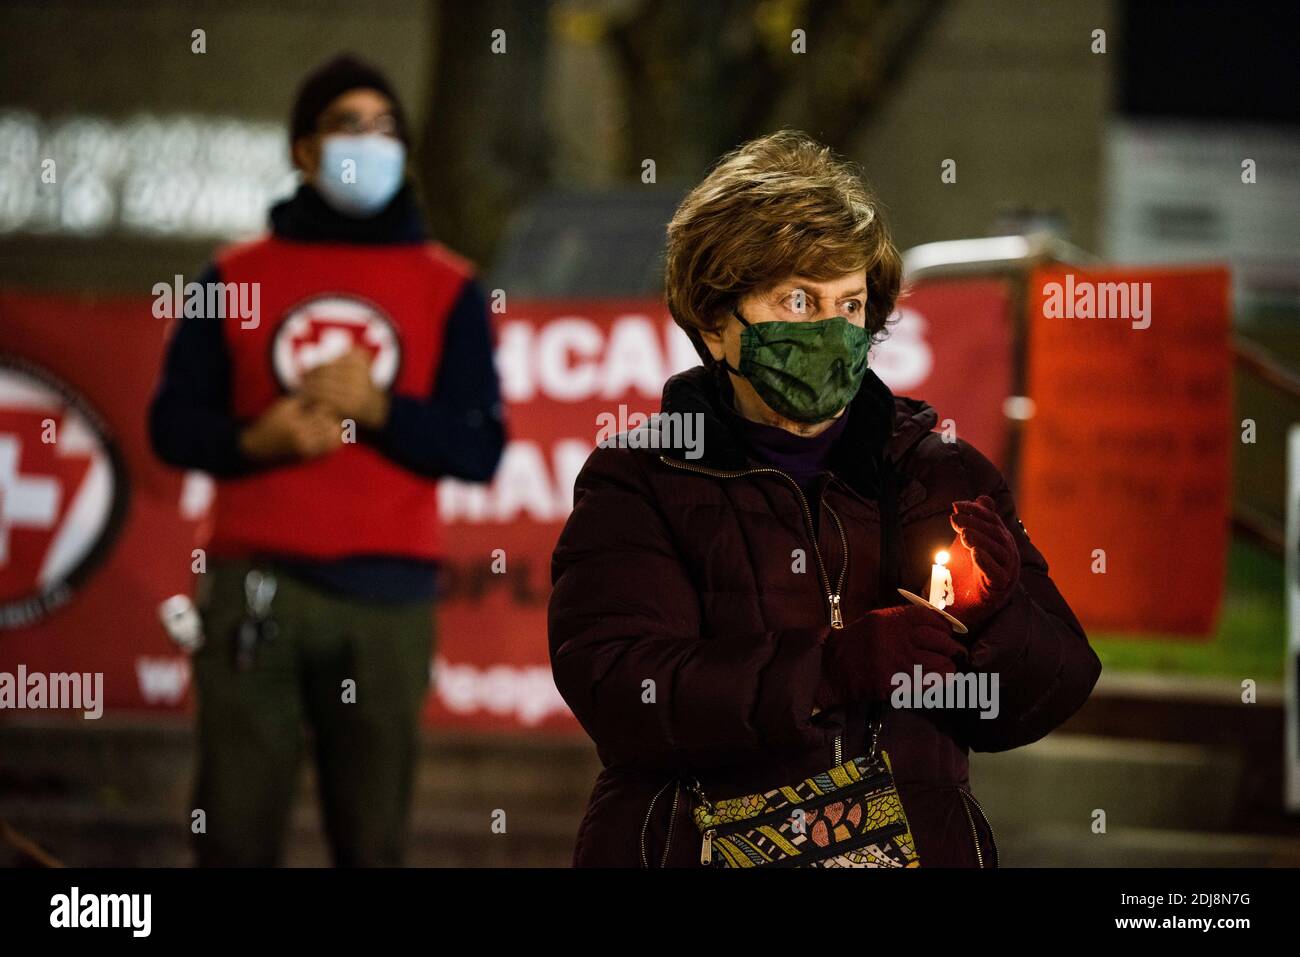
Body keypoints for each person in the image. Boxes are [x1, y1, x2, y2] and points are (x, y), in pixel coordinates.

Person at [547, 130, 1100, 867]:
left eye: (850, 304)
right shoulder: (640, 480)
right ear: (715, 322)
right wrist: (827, 669)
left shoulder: (941, 472)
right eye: (799, 299)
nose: (831, 331)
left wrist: (1002, 617)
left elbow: (1043, 693)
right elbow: (621, 687)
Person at [149, 54, 505, 866]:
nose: (370, 143)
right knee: (233, 836)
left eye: (388, 130)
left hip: (387, 605)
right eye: (350, 125)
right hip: (255, 591)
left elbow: (480, 447)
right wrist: (253, 444)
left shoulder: (451, 287)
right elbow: (171, 426)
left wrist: (381, 412)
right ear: (303, 150)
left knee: (372, 843)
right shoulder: (232, 275)